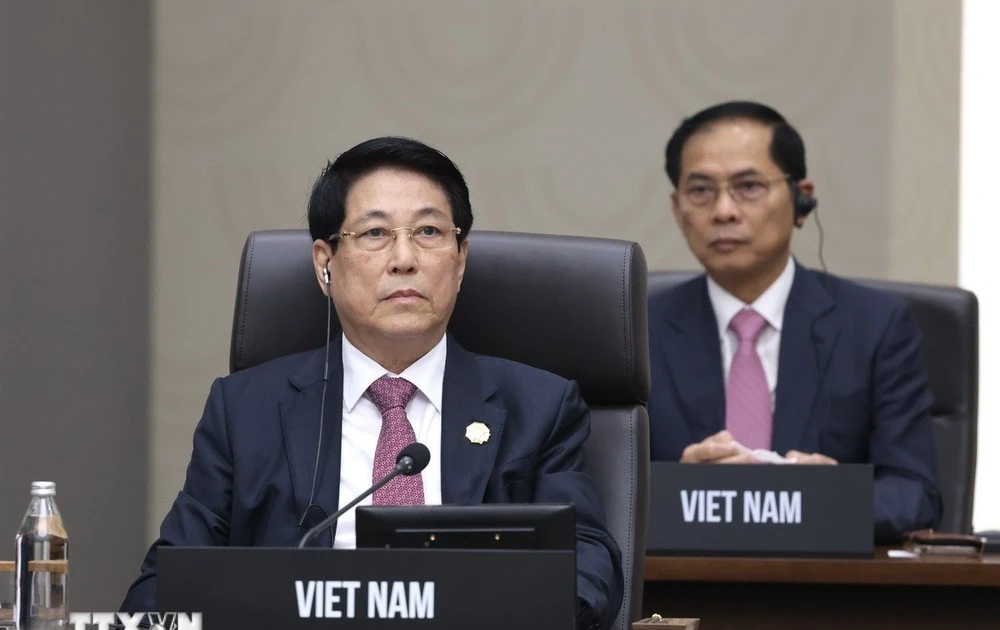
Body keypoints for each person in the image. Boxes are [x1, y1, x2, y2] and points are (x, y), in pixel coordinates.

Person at [122, 136, 623, 629]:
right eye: (375, 234)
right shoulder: (244, 409)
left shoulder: (539, 407)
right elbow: (169, 582)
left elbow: (588, 564)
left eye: (428, 231)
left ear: (461, 257)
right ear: (325, 262)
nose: (404, 258)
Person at [647, 101, 941, 541]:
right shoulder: (635, 332)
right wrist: (678, 490)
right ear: (677, 208)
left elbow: (915, 494)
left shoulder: (877, 326)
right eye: (701, 191)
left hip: (828, 598)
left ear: (802, 199)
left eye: (748, 186)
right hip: (678, 595)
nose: (723, 211)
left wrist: (828, 497)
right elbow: (596, 491)